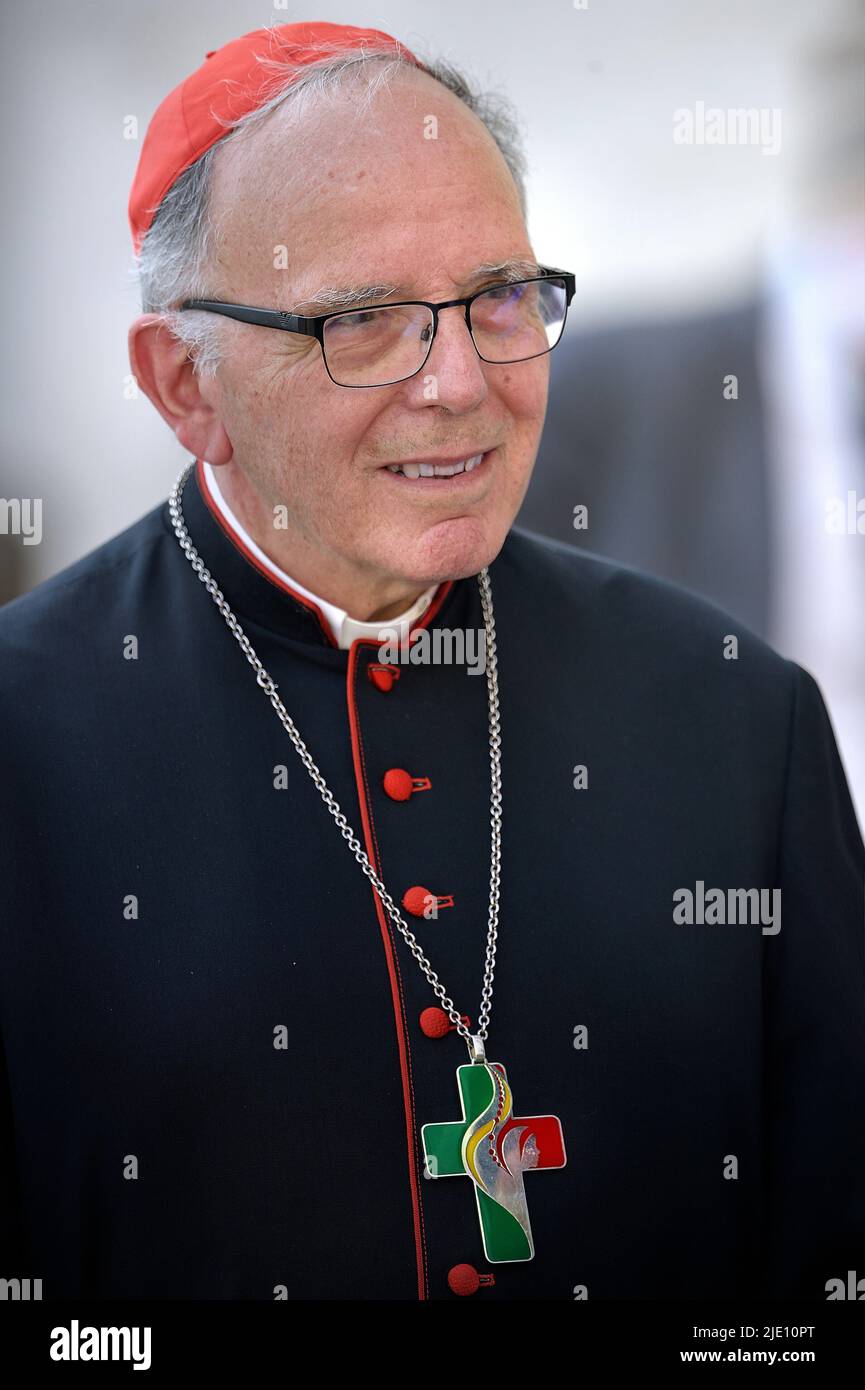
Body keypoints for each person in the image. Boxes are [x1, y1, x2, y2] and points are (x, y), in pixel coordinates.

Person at [0, 20, 862, 1302]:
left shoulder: (739, 716)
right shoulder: (24, 741)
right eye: (365, 319)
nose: (459, 382)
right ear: (187, 383)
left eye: (499, 297)